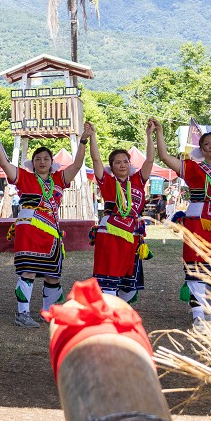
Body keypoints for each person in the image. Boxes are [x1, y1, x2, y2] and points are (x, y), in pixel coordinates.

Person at [0, 122, 94, 327]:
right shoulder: (25, 177)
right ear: (33, 163)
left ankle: (49, 313)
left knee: (53, 275)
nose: (42, 161)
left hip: (52, 234)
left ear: (51, 162)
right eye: (38, 158)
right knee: (28, 271)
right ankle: (22, 314)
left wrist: (83, 140)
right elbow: (4, 164)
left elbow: (76, 165)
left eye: (46, 158)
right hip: (29, 231)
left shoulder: (59, 178)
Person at [152, 114, 211, 326]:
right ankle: (198, 315)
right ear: (200, 149)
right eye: (206, 144)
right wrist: (159, 132)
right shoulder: (192, 167)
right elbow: (165, 157)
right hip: (197, 221)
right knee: (197, 265)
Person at [87, 124, 154, 303]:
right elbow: (96, 160)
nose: (122, 165)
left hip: (133, 233)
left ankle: (120, 313)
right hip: (110, 232)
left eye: (125, 161)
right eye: (117, 162)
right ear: (112, 166)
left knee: (128, 281)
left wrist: (149, 135)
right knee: (109, 275)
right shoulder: (107, 181)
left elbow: (149, 160)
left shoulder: (138, 181)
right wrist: (92, 137)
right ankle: (109, 315)